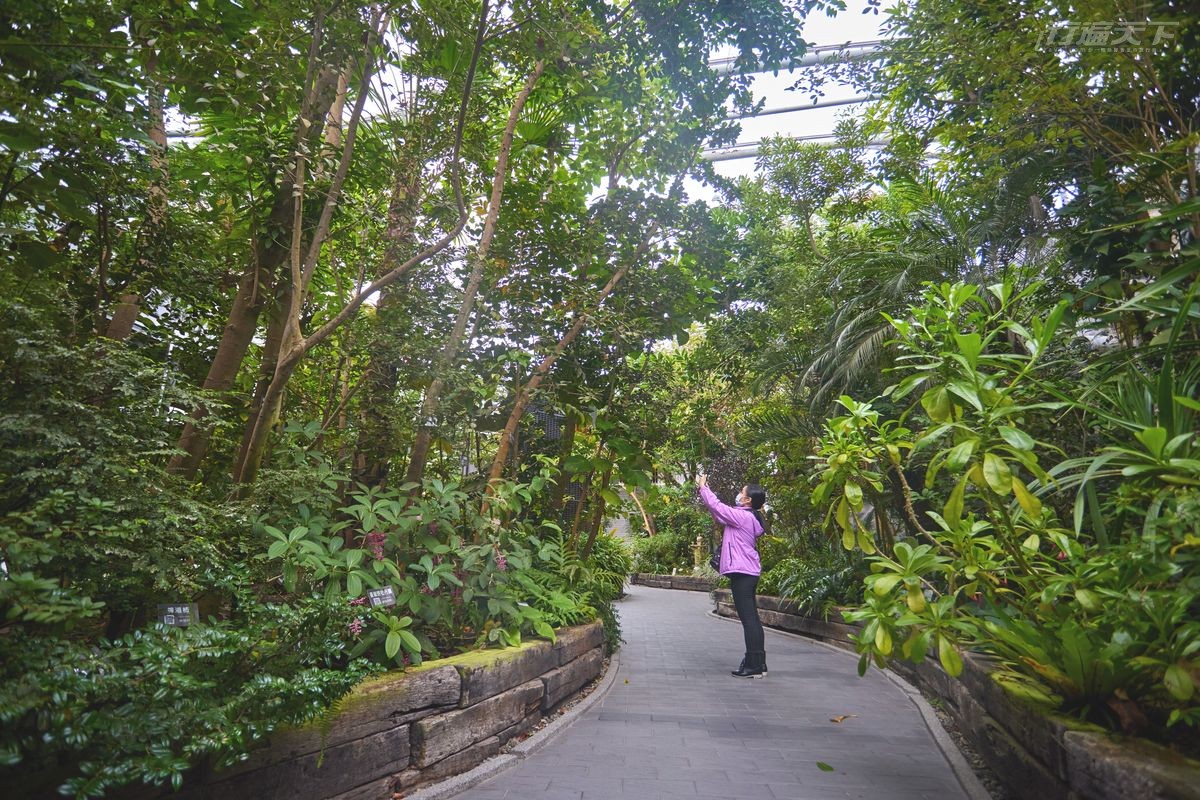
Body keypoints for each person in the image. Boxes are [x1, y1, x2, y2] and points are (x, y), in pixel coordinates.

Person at [697, 476, 767, 678]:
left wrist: (703, 488)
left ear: (747, 500)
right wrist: (707, 492)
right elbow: (719, 515)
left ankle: (753, 665)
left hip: (743, 573)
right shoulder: (747, 516)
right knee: (752, 619)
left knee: (749, 620)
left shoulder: (743, 517)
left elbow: (718, 506)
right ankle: (758, 663)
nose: (739, 494)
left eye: (741, 492)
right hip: (747, 572)